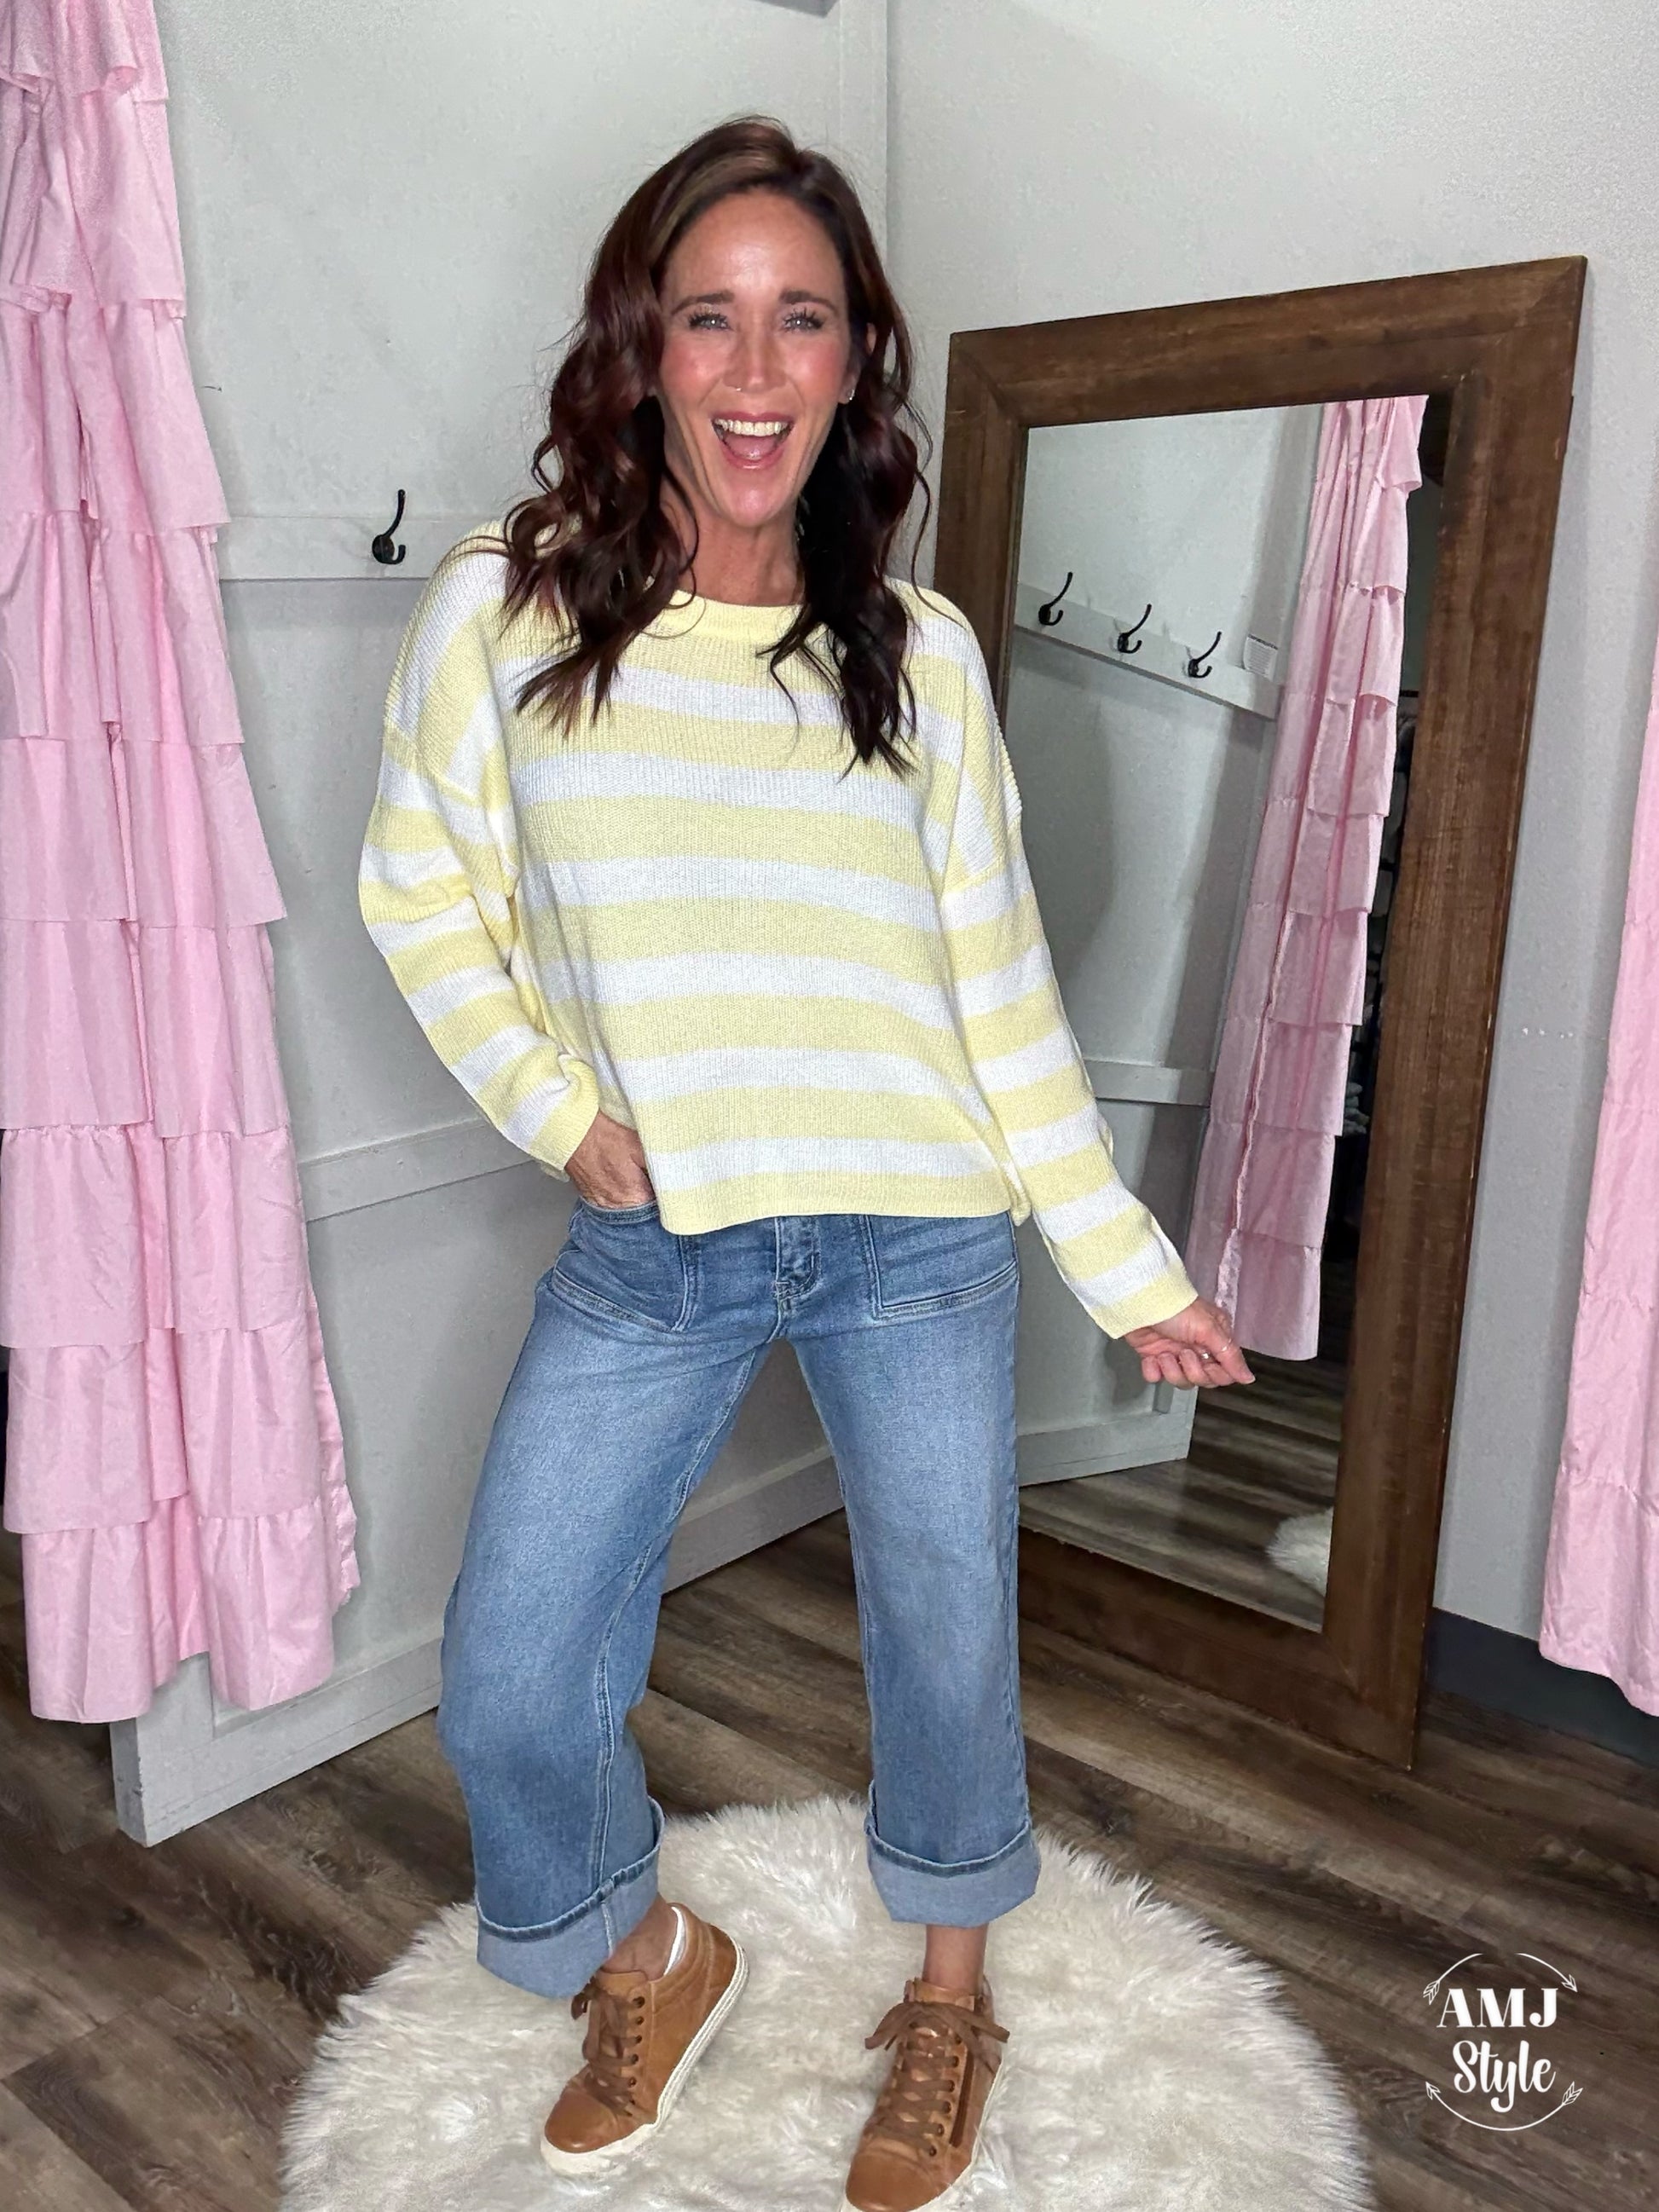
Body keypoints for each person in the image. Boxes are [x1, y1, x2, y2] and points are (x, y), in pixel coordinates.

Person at [359, 114, 1251, 2212]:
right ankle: (649, 1952)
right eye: (710, 320)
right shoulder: (509, 606)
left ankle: (947, 1998)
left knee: (945, 1638)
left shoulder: (916, 658)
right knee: (509, 1676)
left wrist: (1120, 1257)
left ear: (857, 362)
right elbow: (420, 891)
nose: (755, 372)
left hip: (912, 1232)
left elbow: (999, 994)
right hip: (655, 1235)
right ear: (644, 350)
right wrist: (557, 1108)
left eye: (802, 322)